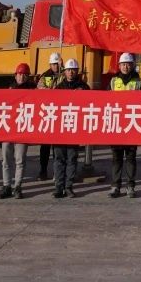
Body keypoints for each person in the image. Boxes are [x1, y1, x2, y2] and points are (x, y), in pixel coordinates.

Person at [109, 52, 141, 198]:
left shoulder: (138, 82)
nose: (125, 67)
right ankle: (115, 186)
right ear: (119, 66)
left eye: (128, 64)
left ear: (132, 65)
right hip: (117, 124)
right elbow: (105, 101)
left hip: (131, 124)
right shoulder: (113, 81)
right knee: (116, 157)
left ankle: (130, 186)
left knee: (130, 158)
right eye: (123, 64)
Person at [53, 58, 90, 198]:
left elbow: (90, 105)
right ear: (64, 72)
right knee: (59, 159)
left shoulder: (84, 88)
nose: (71, 72)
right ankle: (59, 187)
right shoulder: (59, 88)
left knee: (72, 158)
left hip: (75, 129)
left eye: (73, 70)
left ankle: (68, 186)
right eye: (68, 70)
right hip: (60, 129)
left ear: (77, 71)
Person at [0, 62, 36, 199]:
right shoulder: (9, 89)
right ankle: (6, 185)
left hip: (22, 129)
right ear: (15, 75)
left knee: (20, 160)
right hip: (8, 129)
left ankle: (17, 186)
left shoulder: (33, 90)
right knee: (6, 159)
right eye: (20, 74)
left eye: (25, 75)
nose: (22, 77)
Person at [36, 52, 65, 180]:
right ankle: (43, 170)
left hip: (59, 115)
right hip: (47, 115)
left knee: (57, 148)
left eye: (57, 64)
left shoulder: (64, 76)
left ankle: (56, 172)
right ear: (50, 64)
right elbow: (40, 90)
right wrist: (52, 91)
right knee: (45, 147)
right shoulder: (44, 77)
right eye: (54, 64)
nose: (56, 66)